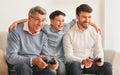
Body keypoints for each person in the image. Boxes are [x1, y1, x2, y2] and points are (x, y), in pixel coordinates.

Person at [8, 10, 101, 75]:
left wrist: (94, 24)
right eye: (58, 21)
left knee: (62, 71)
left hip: (60, 59)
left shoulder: (65, 27)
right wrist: (18, 21)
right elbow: (35, 20)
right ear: (51, 21)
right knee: (52, 70)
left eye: (63, 21)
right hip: (48, 58)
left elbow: (82, 20)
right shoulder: (45, 27)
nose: (61, 23)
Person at [6, 6, 59, 75]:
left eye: (43, 20)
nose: (40, 24)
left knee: (51, 72)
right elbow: (11, 57)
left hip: (36, 66)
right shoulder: (15, 31)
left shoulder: (43, 33)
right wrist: (33, 61)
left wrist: (51, 63)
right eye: (37, 19)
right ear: (29, 18)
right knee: (23, 68)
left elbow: (45, 55)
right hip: (19, 65)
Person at [63, 4, 113, 75]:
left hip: (90, 64)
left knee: (108, 66)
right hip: (75, 65)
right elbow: (68, 57)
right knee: (75, 65)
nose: (87, 20)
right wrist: (83, 61)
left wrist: (99, 58)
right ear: (77, 16)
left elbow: (98, 50)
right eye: (84, 17)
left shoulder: (94, 31)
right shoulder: (69, 34)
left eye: (89, 17)